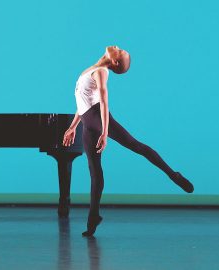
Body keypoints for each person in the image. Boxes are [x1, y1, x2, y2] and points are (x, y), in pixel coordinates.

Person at [62, 46, 194, 237]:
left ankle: (174, 175)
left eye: (120, 51)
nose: (117, 47)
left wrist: (105, 131)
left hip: (99, 118)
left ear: (114, 62)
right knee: (94, 172)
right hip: (87, 122)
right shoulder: (91, 69)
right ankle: (93, 217)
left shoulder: (101, 71)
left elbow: (104, 100)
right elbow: (83, 102)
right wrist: (73, 126)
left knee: (135, 145)